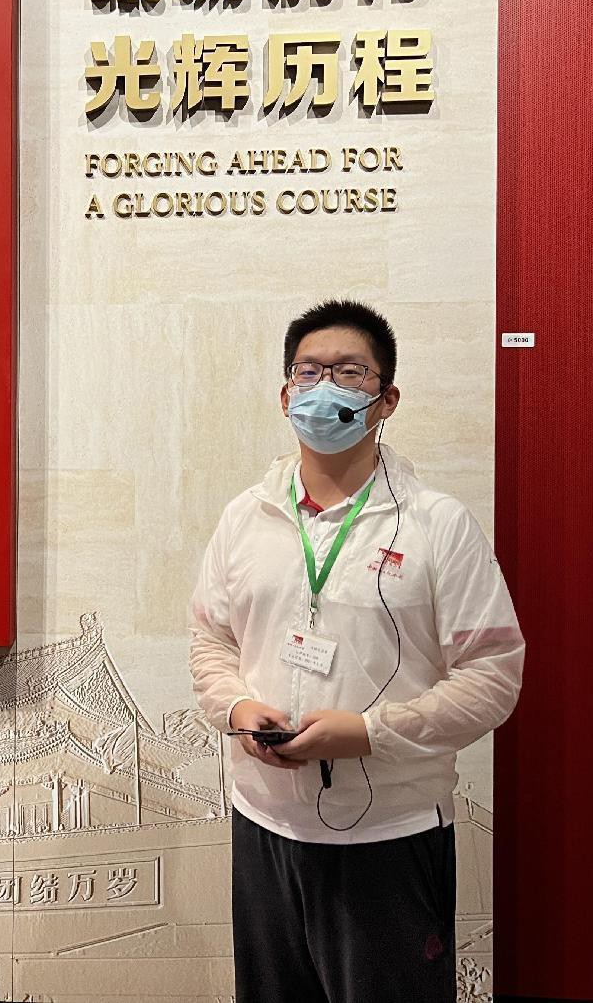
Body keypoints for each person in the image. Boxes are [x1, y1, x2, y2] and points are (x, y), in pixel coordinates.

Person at [188, 299, 524, 1002]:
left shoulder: (438, 524)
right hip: (263, 823)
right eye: (308, 372)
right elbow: (211, 640)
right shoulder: (246, 517)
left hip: (389, 836)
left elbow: (492, 675)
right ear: (285, 394)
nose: (324, 388)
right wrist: (238, 707)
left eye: (348, 372)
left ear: (386, 399)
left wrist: (369, 732)